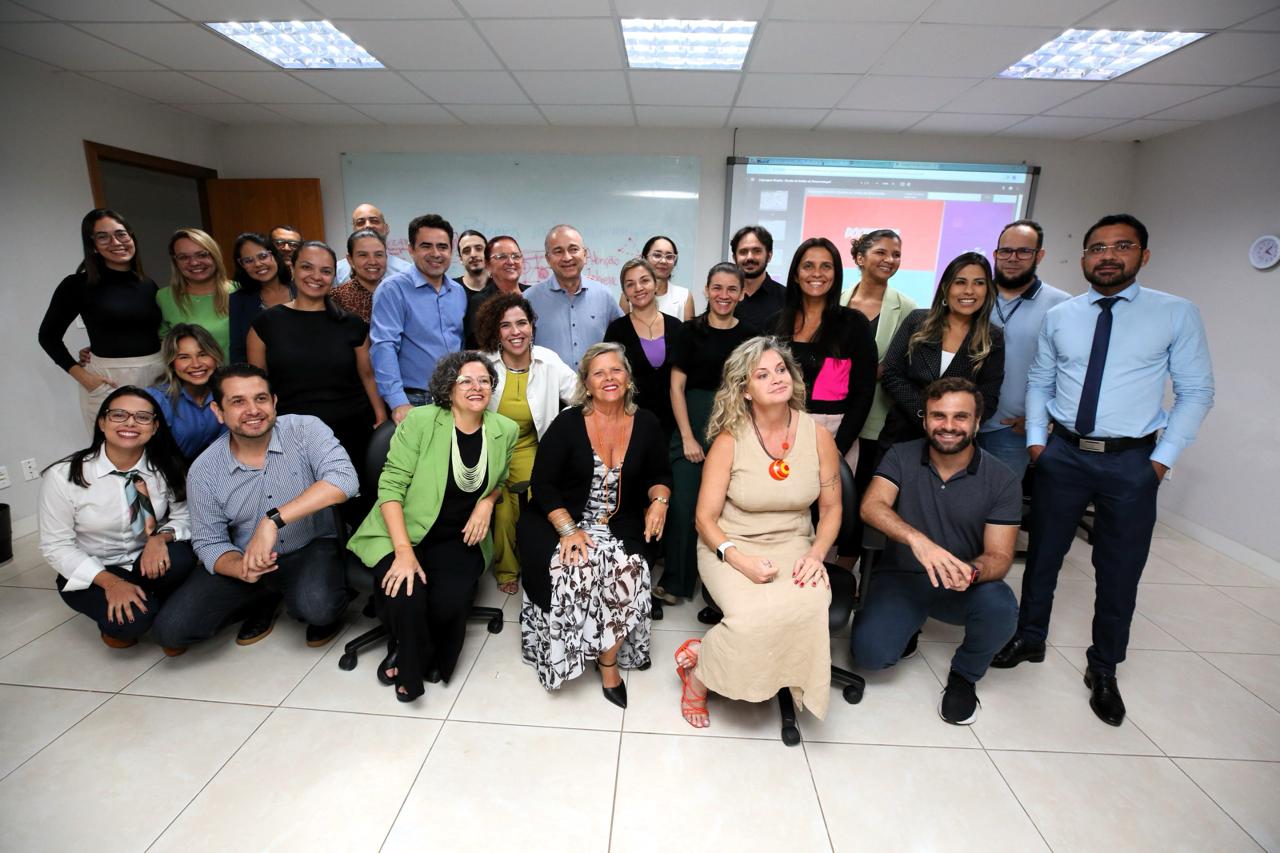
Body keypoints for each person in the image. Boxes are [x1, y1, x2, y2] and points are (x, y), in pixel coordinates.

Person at [993, 214, 1215, 728]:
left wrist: (1161, 461)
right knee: (1043, 556)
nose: (1108, 256)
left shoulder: (1175, 314)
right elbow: (1040, 381)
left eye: (1122, 246)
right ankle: (1030, 638)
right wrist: (1036, 444)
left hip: (1131, 460)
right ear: (1084, 257)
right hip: (1062, 455)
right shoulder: (1063, 315)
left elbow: (1196, 392)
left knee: (1118, 570)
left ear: (1143, 255)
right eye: (1097, 248)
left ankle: (1104, 667)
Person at [675, 338, 840, 728]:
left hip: (796, 543)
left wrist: (816, 554)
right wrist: (741, 560)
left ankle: (721, 657)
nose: (776, 379)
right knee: (752, 619)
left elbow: (832, 509)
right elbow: (704, 519)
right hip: (730, 544)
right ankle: (698, 678)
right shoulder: (730, 440)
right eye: (762, 375)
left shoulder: (818, 436)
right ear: (745, 390)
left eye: (781, 370)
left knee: (808, 606)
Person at [347, 353, 518, 701]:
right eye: (466, 380)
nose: (476, 387)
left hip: (459, 538)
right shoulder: (421, 421)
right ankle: (409, 667)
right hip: (402, 531)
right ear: (448, 388)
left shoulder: (504, 430)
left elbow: (499, 480)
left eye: (484, 380)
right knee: (408, 592)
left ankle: (409, 647)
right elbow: (390, 488)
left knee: (448, 603)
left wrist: (487, 502)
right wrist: (404, 553)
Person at [152, 364, 358, 652]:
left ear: (274, 402)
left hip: (311, 544)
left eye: (260, 398)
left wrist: (271, 521)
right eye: (238, 401)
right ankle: (263, 595)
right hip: (247, 556)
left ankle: (284, 593)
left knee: (318, 609)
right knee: (171, 631)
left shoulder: (305, 429)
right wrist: (238, 568)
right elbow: (209, 541)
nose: (253, 410)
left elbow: (344, 481)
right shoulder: (205, 469)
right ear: (218, 412)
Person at [855, 378, 1021, 725]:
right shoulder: (901, 455)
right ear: (925, 419)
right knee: (870, 657)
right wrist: (919, 541)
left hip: (959, 582)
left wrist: (971, 571)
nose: (948, 426)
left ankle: (965, 676)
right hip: (902, 576)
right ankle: (908, 627)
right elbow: (872, 505)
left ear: (977, 422)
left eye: (960, 417)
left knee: (1001, 607)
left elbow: (1000, 557)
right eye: (938, 416)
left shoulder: (1001, 478)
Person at [518, 342, 672, 707]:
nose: (608, 378)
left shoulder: (646, 422)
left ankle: (607, 660)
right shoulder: (568, 422)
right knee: (576, 569)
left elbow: (659, 474)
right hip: (562, 520)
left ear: (629, 378)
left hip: (623, 523)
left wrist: (659, 501)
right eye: (598, 373)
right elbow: (542, 483)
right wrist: (569, 530)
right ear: (586, 383)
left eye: (616, 370)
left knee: (630, 570)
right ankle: (567, 654)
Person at [38, 386, 196, 652]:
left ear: (155, 427)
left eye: (143, 417)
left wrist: (160, 537)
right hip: (95, 568)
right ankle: (140, 608)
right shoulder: (63, 476)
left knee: (183, 558)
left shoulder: (167, 467)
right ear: (102, 422)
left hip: (144, 559)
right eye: (119, 415)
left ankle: (152, 601)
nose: (131, 423)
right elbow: (56, 546)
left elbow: (184, 514)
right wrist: (111, 583)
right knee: (134, 622)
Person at [663, 264, 759, 604]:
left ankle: (717, 588)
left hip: (733, 424)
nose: (724, 295)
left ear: (742, 293)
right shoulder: (689, 332)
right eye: (717, 288)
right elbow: (676, 387)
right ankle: (676, 582)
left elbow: (753, 387)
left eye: (732, 289)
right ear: (706, 289)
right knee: (685, 504)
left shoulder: (751, 336)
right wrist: (687, 436)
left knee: (725, 510)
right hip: (692, 420)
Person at [248, 240, 385, 476]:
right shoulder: (265, 324)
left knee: (354, 504)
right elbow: (256, 386)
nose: (316, 276)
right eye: (307, 267)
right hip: (291, 433)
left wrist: (381, 417)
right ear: (292, 269)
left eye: (326, 271)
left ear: (334, 275)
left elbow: (368, 376)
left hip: (351, 430)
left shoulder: (351, 324)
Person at [475, 293, 577, 594]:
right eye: (506, 325)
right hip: (487, 450)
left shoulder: (548, 360)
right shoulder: (483, 363)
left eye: (521, 323)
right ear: (496, 331)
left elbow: (581, 396)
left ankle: (536, 561)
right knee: (502, 506)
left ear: (532, 325)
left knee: (533, 499)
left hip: (529, 449)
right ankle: (506, 569)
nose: (515, 332)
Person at [39, 209, 164, 431]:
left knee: (161, 449)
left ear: (132, 237)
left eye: (121, 234)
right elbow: (48, 336)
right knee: (115, 453)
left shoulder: (148, 284)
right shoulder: (77, 285)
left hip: (157, 377)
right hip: (108, 381)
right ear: (93, 245)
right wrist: (83, 377)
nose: (116, 242)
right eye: (103, 236)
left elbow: (145, 330)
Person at [977, 220, 1071, 483]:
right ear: (995, 255)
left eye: (1023, 251)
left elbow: (1069, 370)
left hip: (1011, 430)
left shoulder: (1061, 305)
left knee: (997, 504)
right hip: (960, 423)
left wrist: (1041, 419)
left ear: (1039, 255)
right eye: (1005, 251)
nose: (1013, 258)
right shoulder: (974, 295)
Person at [880, 252, 1004, 447]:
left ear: (988, 290)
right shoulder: (917, 321)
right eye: (960, 282)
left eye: (979, 283)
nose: (969, 291)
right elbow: (891, 374)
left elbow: (988, 397)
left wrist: (953, 425)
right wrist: (926, 415)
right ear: (946, 288)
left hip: (955, 442)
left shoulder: (993, 338)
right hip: (902, 435)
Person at [777, 236, 877, 471]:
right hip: (779, 432)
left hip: (835, 434)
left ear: (836, 274)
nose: (817, 273)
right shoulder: (776, 323)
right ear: (795, 274)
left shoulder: (854, 324)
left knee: (829, 507)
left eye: (826, 266)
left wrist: (838, 447)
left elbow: (863, 393)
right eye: (808, 266)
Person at [370, 213, 467, 423]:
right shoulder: (392, 289)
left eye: (442, 246)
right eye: (426, 246)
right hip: (415, 401)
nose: (435, 253)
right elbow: (384, 347)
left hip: (456, 397)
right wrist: (398, 402)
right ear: (411, 249)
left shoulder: (458, 292)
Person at [524, 224, 623, 367]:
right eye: (558, 251)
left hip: (595, 387)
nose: (567, 257)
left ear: (585, 253)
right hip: (549, 387)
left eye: (573, 249)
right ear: (547, 258)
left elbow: (622, 339)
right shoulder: (529, 299)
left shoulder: (604, 295)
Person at [605, 257, 684, 434]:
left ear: (656, 285)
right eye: (630, 284)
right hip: (629, 424)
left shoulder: (677, 327)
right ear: (625, 292)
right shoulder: (616, 330)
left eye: (645, 280)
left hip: (673, 426)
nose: (638, 288)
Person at [145, 324, 226, 462]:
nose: (196, 364)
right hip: (165, 474)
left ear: (215, 356)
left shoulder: (226, 391)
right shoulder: (157, 399)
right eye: (184, 357)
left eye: (203, 354)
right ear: (172, 363)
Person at [157, 228, 239, 358]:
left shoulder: (239, 291)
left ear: (215, 255)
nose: (194, 262)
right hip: (191, 376)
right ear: (175, 261)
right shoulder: (164, 297)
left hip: (237, 375)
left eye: (202, 254)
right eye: (183, 257)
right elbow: (166, 345)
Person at [227, 232, 294, 363]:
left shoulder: (301, 290)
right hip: (261, 378)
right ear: (242, 266)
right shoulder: (238, 301)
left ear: (274, 255)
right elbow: (238, 351)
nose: (257, 264)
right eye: (248, 261)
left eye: (263, 256)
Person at [620, 236, 694, 321]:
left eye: (669, 257)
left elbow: (689, 333)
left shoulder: (684, 296)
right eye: (657, 255)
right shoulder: (631, 295)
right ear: (644, 259)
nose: (663, 261)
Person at [334, 203, 413, 282]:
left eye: (374, 221)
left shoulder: (406, 271)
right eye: (360, 222)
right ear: (354, 230)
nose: (368, 225)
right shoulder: (336, 272)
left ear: (386, 228)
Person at [729, 225, 787, 332]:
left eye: (757, 251)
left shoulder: (787, 298)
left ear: (769, 256)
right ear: (734, 258)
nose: (750, 257)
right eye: (743, 252)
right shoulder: (724, 297)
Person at [330, 228, 387, 323]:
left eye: (378, 255)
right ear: (350, 260)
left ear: (386, 257)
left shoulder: (397, 294)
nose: (372, 262)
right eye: (363, 255)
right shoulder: (336, 298)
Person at [456, 229, 497, 348]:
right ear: (460, 259)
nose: (473, 254)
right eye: (466, 251)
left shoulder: (501, 288)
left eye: (479, 248)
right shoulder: (450, 290)